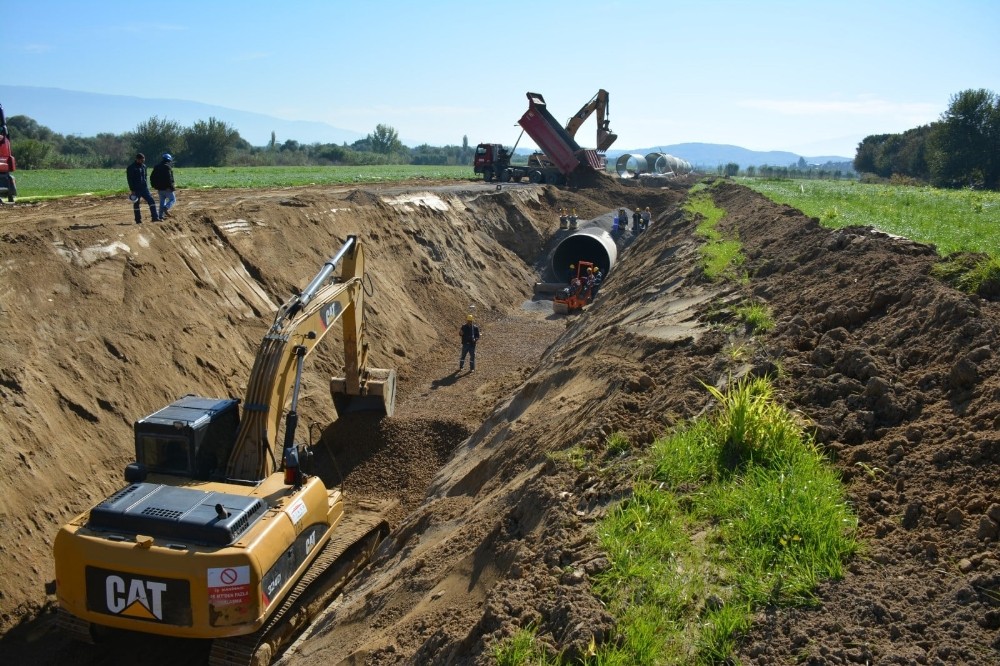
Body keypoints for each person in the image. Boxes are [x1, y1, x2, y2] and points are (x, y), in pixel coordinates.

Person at [126, 153, 159, 224]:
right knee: (136, 204)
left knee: (151, 201)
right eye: (141, 160)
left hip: (144, 188)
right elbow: (130, 179)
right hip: (136, 189)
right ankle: (138, 220)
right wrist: (132, 190)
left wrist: (146, 186)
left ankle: (155, 217)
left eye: (143, 159)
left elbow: (145, 177)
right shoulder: (131, 168)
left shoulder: (144, 166)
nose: (143, 161)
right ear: (137, 159)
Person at [150, 153, 176, 220]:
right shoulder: (167, 167)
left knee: (162, 202)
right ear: (169, 160)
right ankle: (166, 208)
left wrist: (154, 186)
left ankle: (160, 216)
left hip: (159, 189)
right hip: (167, 188)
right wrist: (171, 187)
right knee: (173, 199)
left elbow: (152, 177)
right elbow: (169, 179)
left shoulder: (156, 167)